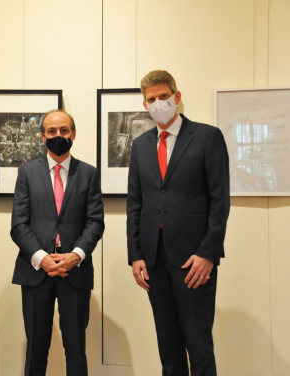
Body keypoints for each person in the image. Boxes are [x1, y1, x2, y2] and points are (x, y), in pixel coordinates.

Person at [126, 70, 230, 375]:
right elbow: (136, 204)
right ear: (144, 105)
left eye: (163, 97)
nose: (158, 103)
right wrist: (135, 255)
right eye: (151, 99)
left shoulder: (208, 137)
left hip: (194, 260)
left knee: (198, 345)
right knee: (167, 346)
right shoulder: (141, 145)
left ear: (177, 97)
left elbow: (219, 201)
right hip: (153, 261)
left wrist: (209, 253)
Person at [11, 109, 105, 376]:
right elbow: (19, 225)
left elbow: (95, 222)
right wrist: (43, 258)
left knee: (76, 350)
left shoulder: (89, 174)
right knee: (36, 350)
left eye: (64, 131)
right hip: (36, 271)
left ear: (73, 134)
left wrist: (75, 255)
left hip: (74, 271)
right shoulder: (26, 173)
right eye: (51, 132)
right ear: (42, 136)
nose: (58, 136)